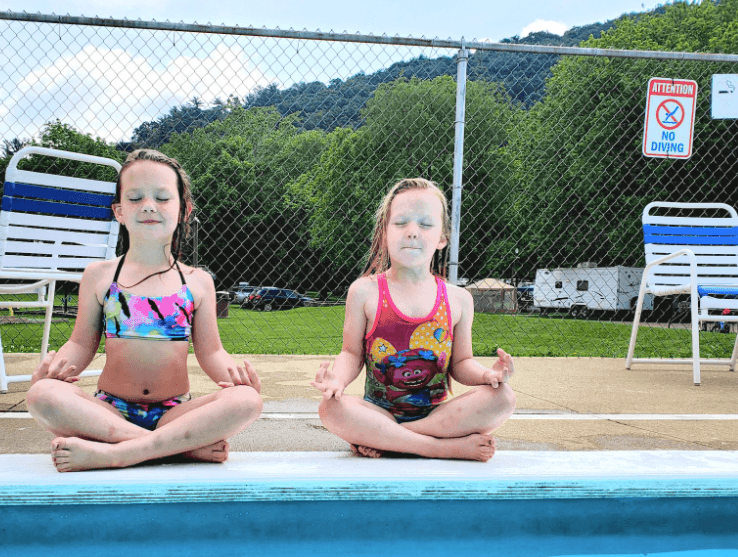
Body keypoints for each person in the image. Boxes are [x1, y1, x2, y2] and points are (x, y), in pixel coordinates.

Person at [26, 149, 262, 472]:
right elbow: (81, 345)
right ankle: (175, 448)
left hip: (174, 413)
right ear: (119, 211)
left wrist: (237, 381)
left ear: (184, 210)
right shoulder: (100, 276)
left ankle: (119, 452)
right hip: (110, 411)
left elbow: (211, 353)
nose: (149, 205)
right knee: (42, 395)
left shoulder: (197, 282)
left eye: (163, 197)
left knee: (248, 402)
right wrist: (53, 373)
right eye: (135, 198)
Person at [311, 178, 515, 462]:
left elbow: (461, 363)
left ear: (442, 238)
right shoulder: (364, 291)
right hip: (378, 413)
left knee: (503, 398)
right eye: (401, 223)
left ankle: (391, 439)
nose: (412, 232)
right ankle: (438, 447)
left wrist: (486, 376)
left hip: (437, 416)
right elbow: (351, 353)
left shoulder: (458, 299)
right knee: (330, 408)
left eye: (425, 224)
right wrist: (338, 381)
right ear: (384, 233)